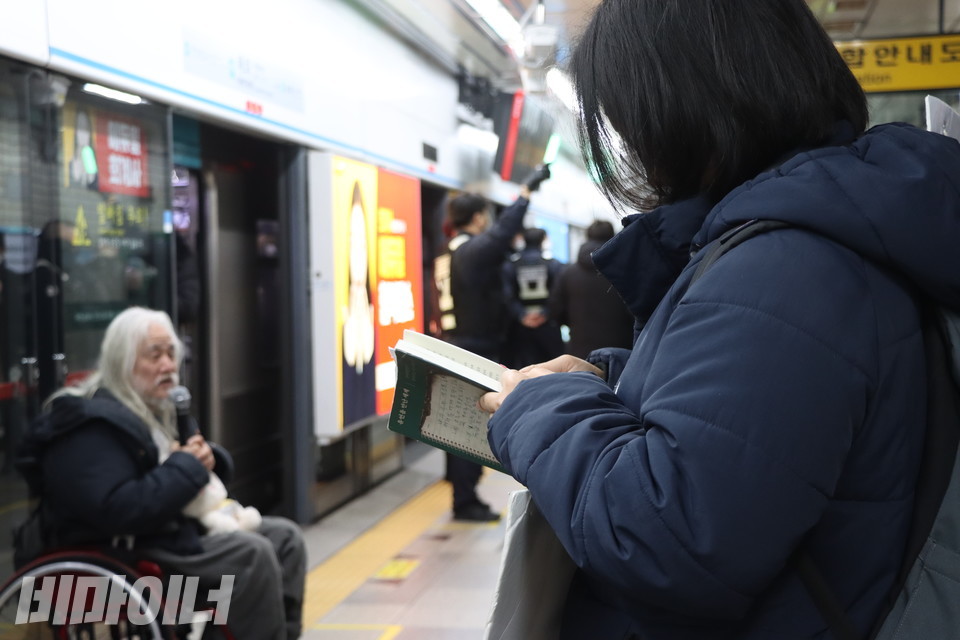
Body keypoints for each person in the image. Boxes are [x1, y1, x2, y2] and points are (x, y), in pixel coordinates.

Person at [477, 1, 960, 638]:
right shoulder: (828, 231)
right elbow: (773, 416)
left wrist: (544, 409)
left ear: (676, 102)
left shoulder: (784, 266)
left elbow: (670, 540)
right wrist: (617, 383)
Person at [16, 306, 306, 639]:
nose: (168, 366)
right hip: (117, 556)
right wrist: (185, 468)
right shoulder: (90, 427)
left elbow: (175, 483)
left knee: (285, 539)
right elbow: (118, 510)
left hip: (160, 537)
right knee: (251, 557)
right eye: (154, 356)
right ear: (122, 362)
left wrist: (209, 462)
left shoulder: (155, 411)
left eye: (171, 353)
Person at [437, 165, 549, 522]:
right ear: (477, 218)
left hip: (462, 341)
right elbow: (502, 236)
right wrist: (526, 191)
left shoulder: (449, 251)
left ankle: (462, 490)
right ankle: (465, 498)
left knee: (462, 420)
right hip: (474, 347)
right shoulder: (469, 252)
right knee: (470, 423)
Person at [548, 220, 635, 359]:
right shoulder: (627, 271)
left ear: (587, 237)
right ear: (613, 237)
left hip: (580, 350)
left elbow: (555, 310)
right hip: (621, 352)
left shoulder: (568, 273)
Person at [501, 226, 564, 368]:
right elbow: (558, 295)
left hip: (519, 329)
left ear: (523, 240)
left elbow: (506, 296)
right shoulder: (554, 264)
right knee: (551, 369)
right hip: (548, 327)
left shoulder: (510, 265)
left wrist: (522, 315)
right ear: (543, 241)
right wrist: (545, 314)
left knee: (523, 370)